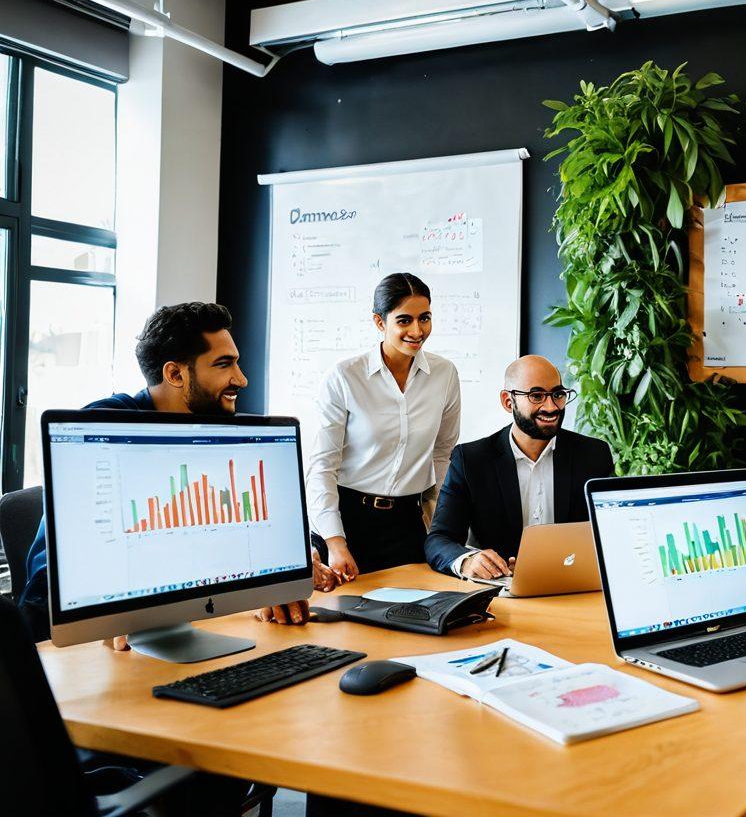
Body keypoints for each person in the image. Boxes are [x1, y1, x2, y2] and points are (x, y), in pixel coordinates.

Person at [18, 302, 334, 644]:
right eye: (224, 364)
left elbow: (239, 523)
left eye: (237, 363)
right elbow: (45, 587)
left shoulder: (217, 430)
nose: (241, 379)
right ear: (175, 374)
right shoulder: (103, 430)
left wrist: (292, 561)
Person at [307, 272, 460, 579]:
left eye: (425, 318)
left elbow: (443, 455)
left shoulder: (445, 374)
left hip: (408, 522)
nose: (417, 330)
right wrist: (335, 543)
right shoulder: (345, 376)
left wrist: (444, 527)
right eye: (404, 320)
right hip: (348, 519)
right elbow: (323, 467)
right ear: (380, 322)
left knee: (413, 613)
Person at [425, 355, 614, 579]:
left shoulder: (593, 455)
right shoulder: (471, 460)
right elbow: (439, 539)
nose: (551, 406)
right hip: (501, 589)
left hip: (575, 585)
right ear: (508, 401)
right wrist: (467, 561)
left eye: (558, 394)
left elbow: (613, 533)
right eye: (536, 396)